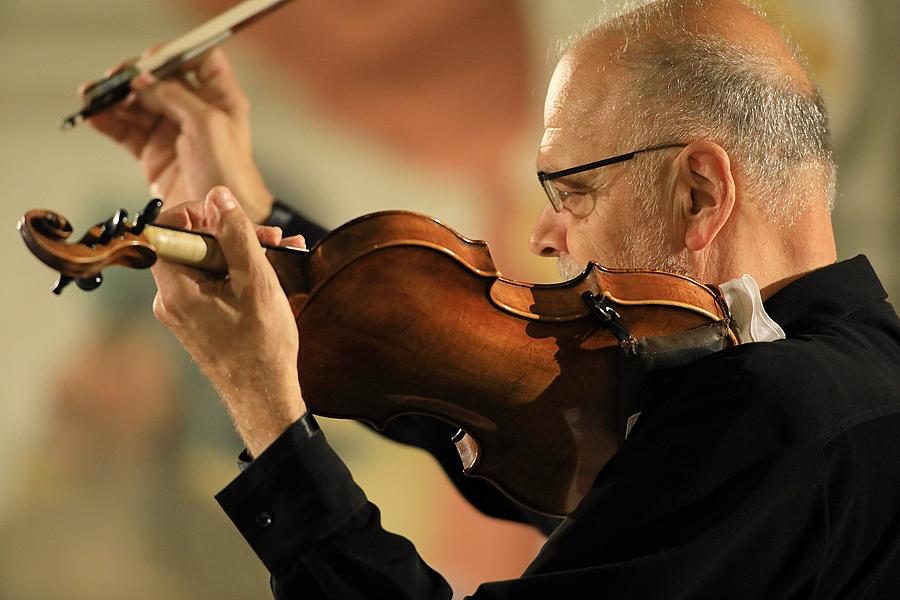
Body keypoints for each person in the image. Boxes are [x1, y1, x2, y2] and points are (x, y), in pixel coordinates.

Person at [86, 0, 900, 597]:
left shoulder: (773, 409)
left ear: (697, 193)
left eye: (573, 192)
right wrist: (257, 213)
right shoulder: (851, 387)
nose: (547, 237)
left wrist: (267, 414)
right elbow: (486, 382)